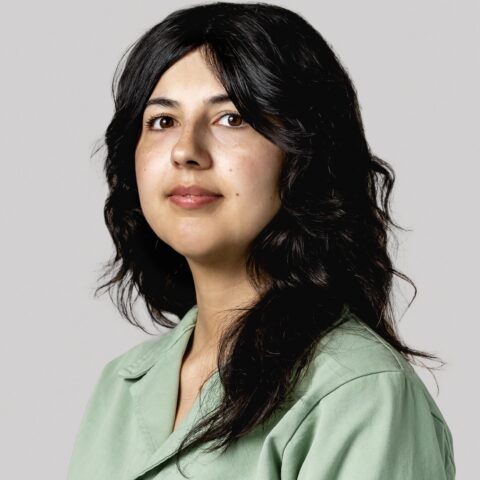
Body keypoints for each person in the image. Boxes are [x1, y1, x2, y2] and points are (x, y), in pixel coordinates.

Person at [66, 2, 456, 479]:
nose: (187, 150)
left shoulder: (357, 390)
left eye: (232, 118)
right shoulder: (122, 384)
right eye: (163, 121)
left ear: (303, 152)